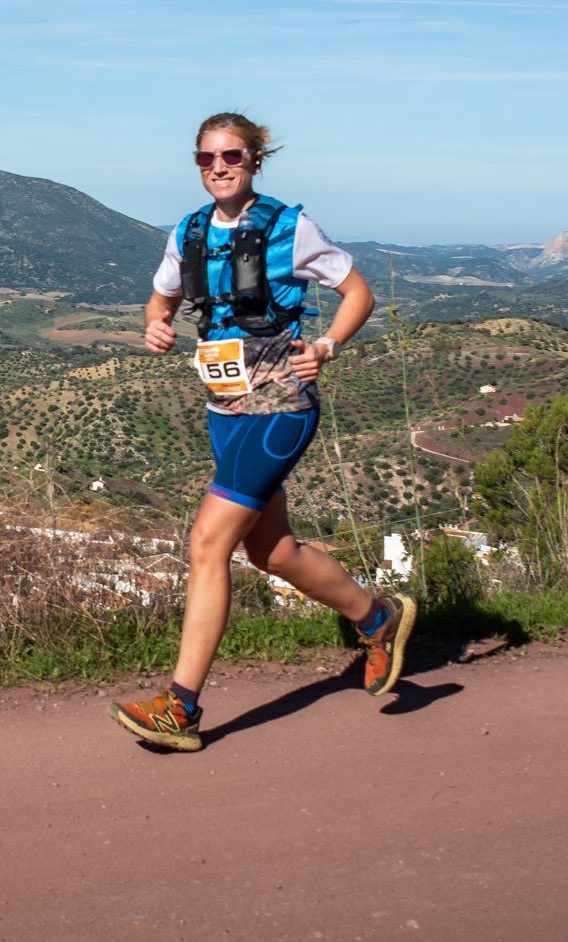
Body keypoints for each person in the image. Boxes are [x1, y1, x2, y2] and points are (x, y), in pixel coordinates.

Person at [112, 112, 414, 752]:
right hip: (223, 411)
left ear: (255, 160)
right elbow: (160, 301)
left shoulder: (287, 227)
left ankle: (181, 706)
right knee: (270, 552)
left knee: (206, 545)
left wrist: (328, 345)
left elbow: (357, 292)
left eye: (232, 156)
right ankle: (378, 618)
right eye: (206, 158)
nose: (219, 168)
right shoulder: (189, 232)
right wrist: (155, 326)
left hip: (280, 411)